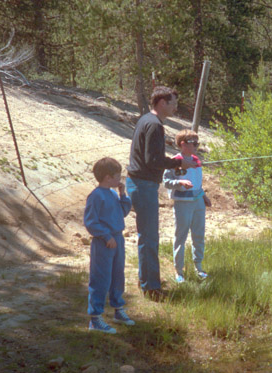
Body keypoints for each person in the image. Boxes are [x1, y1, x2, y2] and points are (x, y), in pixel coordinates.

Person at [126, 86, 198, 300]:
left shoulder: (146, 120)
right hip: (143, 186)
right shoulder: (155, 125)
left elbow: (151, 158)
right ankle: (152, 289)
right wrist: (178, 163)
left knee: (145, 236)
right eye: (173, 102)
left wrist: (176, 163)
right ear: (162, 103)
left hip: (138, 183)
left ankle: (146, 280)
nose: (176, 107)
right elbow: (153, 160)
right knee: (149, 238)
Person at [84, 157, 134, 333]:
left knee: (117, 275)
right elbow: (91, 221)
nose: (119, 179)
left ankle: (118, 310)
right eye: (117, 176)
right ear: (107, 177)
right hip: (104, 243)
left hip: (118, 239)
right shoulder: (96, 196)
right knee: (100, 278)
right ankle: (95, 318)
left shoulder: (113, 194)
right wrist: (105, 236)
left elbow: (123, 212)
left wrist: (123, 195)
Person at [163, 129, 212, 283]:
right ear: (183, 144)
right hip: (182, 204)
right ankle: (179, 272)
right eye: (194, 143)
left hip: (198, 202)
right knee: (181, 237)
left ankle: (199, 267)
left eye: (197, 143)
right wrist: (179, 183)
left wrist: (204, 195)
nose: (196, 146)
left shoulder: (197, 161)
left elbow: (198, 182)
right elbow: (166, 182)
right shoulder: (174, 161)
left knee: (198, 235)